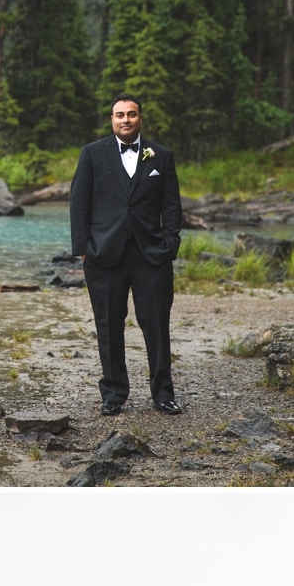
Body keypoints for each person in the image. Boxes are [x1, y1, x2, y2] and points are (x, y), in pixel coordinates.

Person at [67, 92, 185, 418]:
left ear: (140, 119)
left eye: (131, 114)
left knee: (157, 326)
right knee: (108, 325)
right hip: (104, 256)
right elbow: (79, 204)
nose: (125, 120)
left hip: (152, 256)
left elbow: (171, 206)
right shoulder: (92, 154)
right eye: (120, 115)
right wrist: (84, 251)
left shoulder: (160, 156)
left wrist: (170, 244)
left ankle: (163, 394)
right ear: (112, 119)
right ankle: (114, 394)